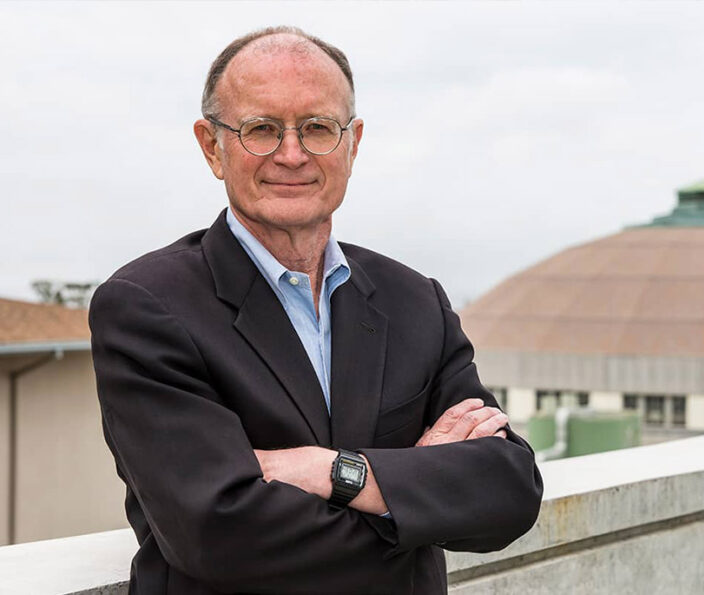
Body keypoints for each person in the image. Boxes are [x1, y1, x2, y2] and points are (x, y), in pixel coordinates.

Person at [89, 26, 543, 595]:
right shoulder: (147, 306)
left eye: (317, 128)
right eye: (260, 129)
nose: (292, 154)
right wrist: (412, 492)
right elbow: (219, 535)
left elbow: (509, 488)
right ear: (212, 147)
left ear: (352, 143)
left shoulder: (414, 301)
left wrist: (327, 470)